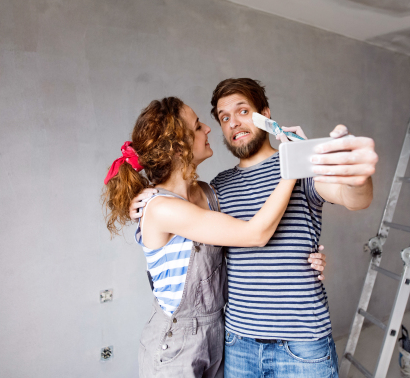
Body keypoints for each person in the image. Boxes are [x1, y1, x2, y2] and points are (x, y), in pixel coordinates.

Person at [130, 78, 378, 378]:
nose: (232, 123)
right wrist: (147, 197)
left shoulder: (301, 168)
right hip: (237, 344)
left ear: (266, 115)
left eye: (243, 111)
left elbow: (354, 199)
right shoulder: (217, 188)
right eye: (223, 118)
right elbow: (196, 220)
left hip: (301, 342)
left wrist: (357, 176)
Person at [102, 96, 326, 378]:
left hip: (217, 334)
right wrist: (292, 167)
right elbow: (255, 233)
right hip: (175, 346)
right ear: (177, 147)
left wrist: (304, 255)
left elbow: (253, 224)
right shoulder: (161, 207)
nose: (208, 129)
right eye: (197, 126)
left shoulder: (209, 193)